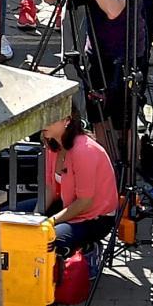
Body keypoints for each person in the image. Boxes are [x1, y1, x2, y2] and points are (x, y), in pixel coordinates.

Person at [38, 104, 118, 262]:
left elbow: (85, 201)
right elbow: (49, 188)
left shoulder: (84, 150)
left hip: (95, 217)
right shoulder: (52, 144)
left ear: (67, 120)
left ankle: (88, 250)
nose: (43, 123)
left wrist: (50, 221)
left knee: (46, 241)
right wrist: (35, 216)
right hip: (66, 203)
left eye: (49, 119)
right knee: (7, 217)